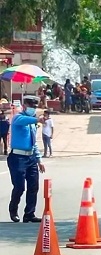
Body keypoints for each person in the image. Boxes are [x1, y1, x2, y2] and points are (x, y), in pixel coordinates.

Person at [7, 95, 46, 223]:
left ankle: (29, 213)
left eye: (35, 107)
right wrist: (37, 119)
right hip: (17, 157)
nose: (33, 109)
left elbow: (33, 142)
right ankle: (13, 211)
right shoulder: (18, 118)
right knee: (19, 187)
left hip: (31, 157)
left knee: (33, 186)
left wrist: (39, 159)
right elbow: (23, 120)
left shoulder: (32, 123)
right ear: (24, 106)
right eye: (30, 106)